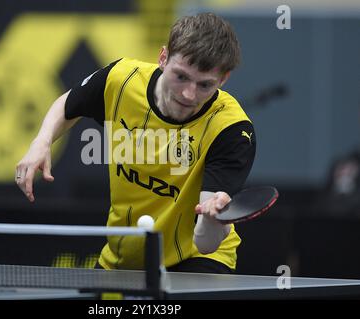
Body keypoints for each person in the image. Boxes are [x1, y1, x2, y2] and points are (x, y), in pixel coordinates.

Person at [15, 12, 256, 273]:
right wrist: (42, 141)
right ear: (163, 58)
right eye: (181, 77)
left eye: (205, 85)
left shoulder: (231, 130)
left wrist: (212, 220)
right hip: (123, 257)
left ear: (223, 80)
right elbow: (69, 103)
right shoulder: (122, 80)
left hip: (197, 259)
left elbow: (206, 243)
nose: (189, 94)